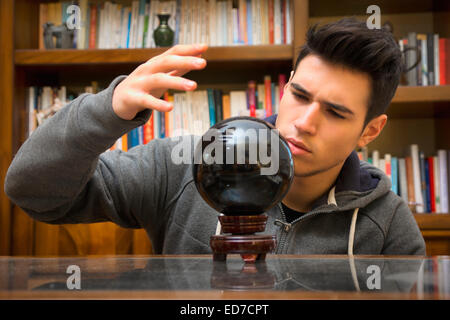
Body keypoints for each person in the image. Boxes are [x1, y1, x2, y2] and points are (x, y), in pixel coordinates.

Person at [5, 18, 426, 255]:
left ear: (369, 130)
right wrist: (108, 109)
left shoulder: (387, 223)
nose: (305, 122)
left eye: (335, 112)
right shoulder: (182, 166)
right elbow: (31, 191)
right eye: (299, 95)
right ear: (285, 89)